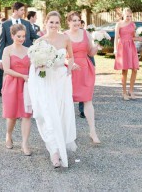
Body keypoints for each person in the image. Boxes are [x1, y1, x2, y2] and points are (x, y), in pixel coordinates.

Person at [26, 11, 77, 168]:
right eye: (51, 22)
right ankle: (54, 152)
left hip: (61, 80)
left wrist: (69, 68)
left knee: (61, 114)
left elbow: (71, 56)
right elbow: (34, 64)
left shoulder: (65, 38)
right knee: (48, 114)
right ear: (45, 23)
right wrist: (40, 64)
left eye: (56, 22)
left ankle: (59, 145)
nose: (54, 25)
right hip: (46, 80)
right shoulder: (40, 42)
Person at [66, 12, 101, 144]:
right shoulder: (64, 35)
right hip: (71, 70)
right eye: (73, 20)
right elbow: (61, 55)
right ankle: (68, 134)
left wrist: (97, 46)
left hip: (85, 69)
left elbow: (90, 52)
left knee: (88, 100)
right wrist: (69, 63)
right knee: (68, 102)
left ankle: (92, 132)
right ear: (68, 22)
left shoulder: (86, 33)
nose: (76, 23)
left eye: (78, 20)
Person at [1, 24, 33, 155]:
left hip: (26, 85)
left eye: (23, 36)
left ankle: (24, 144)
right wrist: (22, 75)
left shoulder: (29, 50)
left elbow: (33, 67)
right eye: (19, 36)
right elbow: (6, 69)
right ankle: (8, 135)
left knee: (27, 114)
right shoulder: (7, 50)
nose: (21, 38)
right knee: (12, 115)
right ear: (12, 36)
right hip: (12, 84)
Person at [0, 2, 39, 97]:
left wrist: (45, 38)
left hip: (25, 56)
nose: (24, 12)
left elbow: (34, 36)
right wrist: (0, 59)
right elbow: (1, 42)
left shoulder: (27, 23)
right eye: (22, 10)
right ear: (15, 11)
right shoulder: (5, 24)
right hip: (12, 57)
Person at [115, 8, 141, 100]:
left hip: (131, 47)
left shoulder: (133, 24)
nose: (129, 18)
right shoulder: (119, 24)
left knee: (135, 69)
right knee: (124, 70)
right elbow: (116, 38)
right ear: (123, 15)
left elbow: (133, 37)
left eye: (130, 16)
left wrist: (139, 38)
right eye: (127, 16)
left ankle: (131, 90)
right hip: (122, 47)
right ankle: (124, 92)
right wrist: (115, 50)